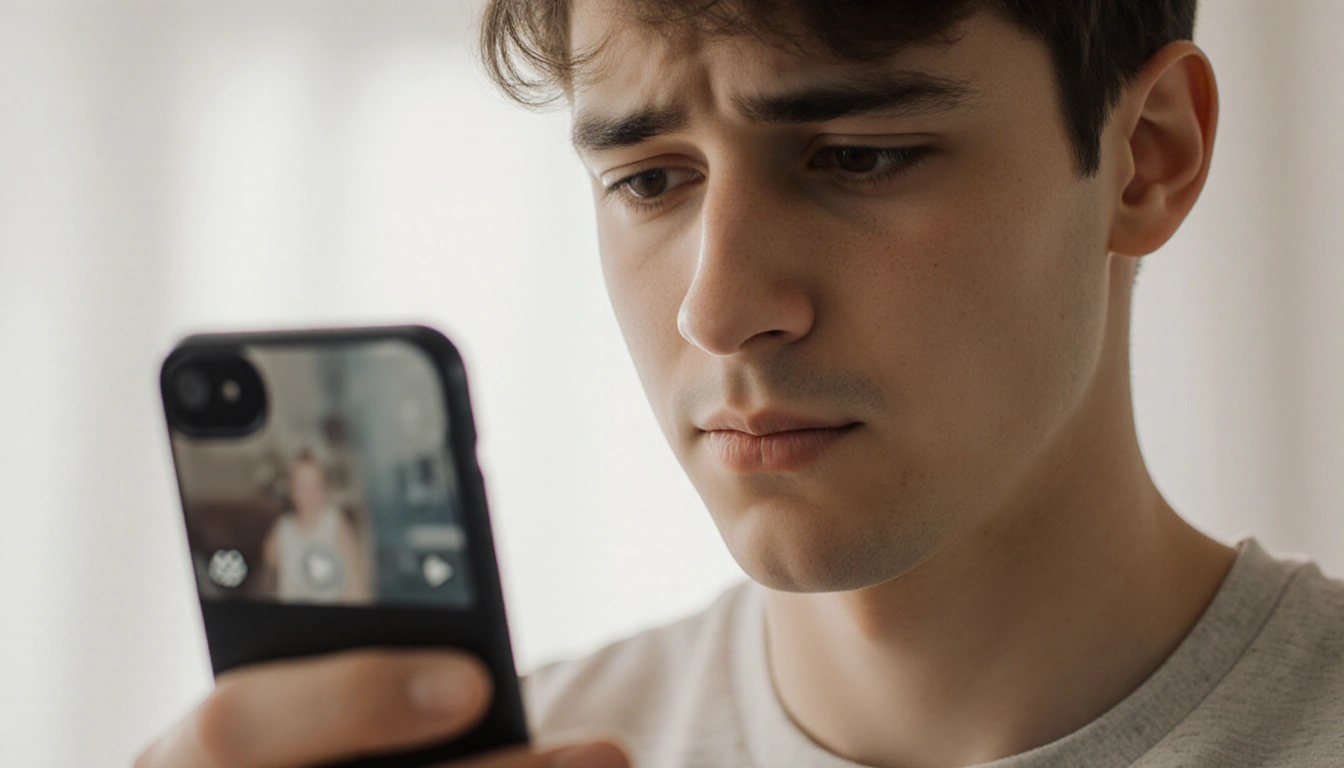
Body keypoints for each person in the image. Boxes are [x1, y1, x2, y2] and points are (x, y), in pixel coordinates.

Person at [136, 2, 1344, 767]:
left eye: (857, 156)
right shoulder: (524, 747)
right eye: (651, 181)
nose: (716, 310)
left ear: (1148, 158)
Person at [260, 450, 372, 605]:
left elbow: (356, 585)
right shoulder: (282, 530)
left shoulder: (335, 523)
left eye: (316, 485)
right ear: (291, 490)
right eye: (303, 486)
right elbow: (268, 580)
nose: (310, 494)